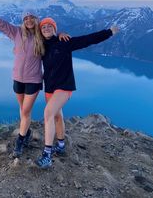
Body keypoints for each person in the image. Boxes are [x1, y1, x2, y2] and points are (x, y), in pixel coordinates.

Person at [0, 6, 68, 158]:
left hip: (33, 81)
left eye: (31, 17)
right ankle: (26, 132)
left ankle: (20, 142)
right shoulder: (15, 32)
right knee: (22, 109)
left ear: (36, 20)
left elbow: (52, 36)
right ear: (23, 21)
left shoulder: (41, 36)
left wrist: (60, 34)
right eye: (25, 18)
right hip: (17, 79)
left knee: (26, 111)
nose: (28, 20)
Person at [35, 17, 119, 168]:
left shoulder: (65, 42)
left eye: (50, 26)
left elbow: (88, 39)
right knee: (57, 117)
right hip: (49, 88)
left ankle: (47, 155)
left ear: (54, 29)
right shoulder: (41, 46)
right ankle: (60, 146)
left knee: (48, 113)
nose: (46, 28)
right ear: (40, 31)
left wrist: (109, 32)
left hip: (64, 86)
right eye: (43, 27)